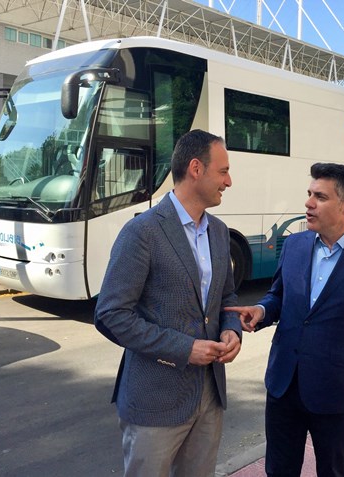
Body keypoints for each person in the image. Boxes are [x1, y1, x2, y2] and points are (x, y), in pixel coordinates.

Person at [226, 162, 344, 477]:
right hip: (283, 384)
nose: (308, 203)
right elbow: (279, 295)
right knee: (279, 469)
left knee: (333, 471)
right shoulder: (294, 245)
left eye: (319, 197)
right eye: (309, 194)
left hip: (336, 392)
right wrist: (263, 311)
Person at [94, 129, 242, 477]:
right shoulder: (142, 232)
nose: (229, 181)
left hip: (209, 396)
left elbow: (227, 297)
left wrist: (232, 330)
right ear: (195, 168)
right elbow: (111, 314)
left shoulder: (219, 232)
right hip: (154, 402)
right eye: (223, 171)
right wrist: (183, 348)